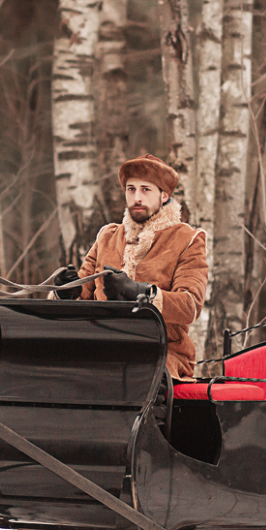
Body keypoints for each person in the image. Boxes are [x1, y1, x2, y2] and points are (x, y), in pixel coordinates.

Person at [51, 154, 208, 380]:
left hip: (163, 352)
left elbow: (189, 306)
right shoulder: (107, 236)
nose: (137, 197)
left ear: (164, 195)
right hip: (103, 347)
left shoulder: (188, 240)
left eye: (146, 190)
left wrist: (139, 292)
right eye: (131, 189)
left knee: (132, 375)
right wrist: (66, 293)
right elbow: (82, 295)